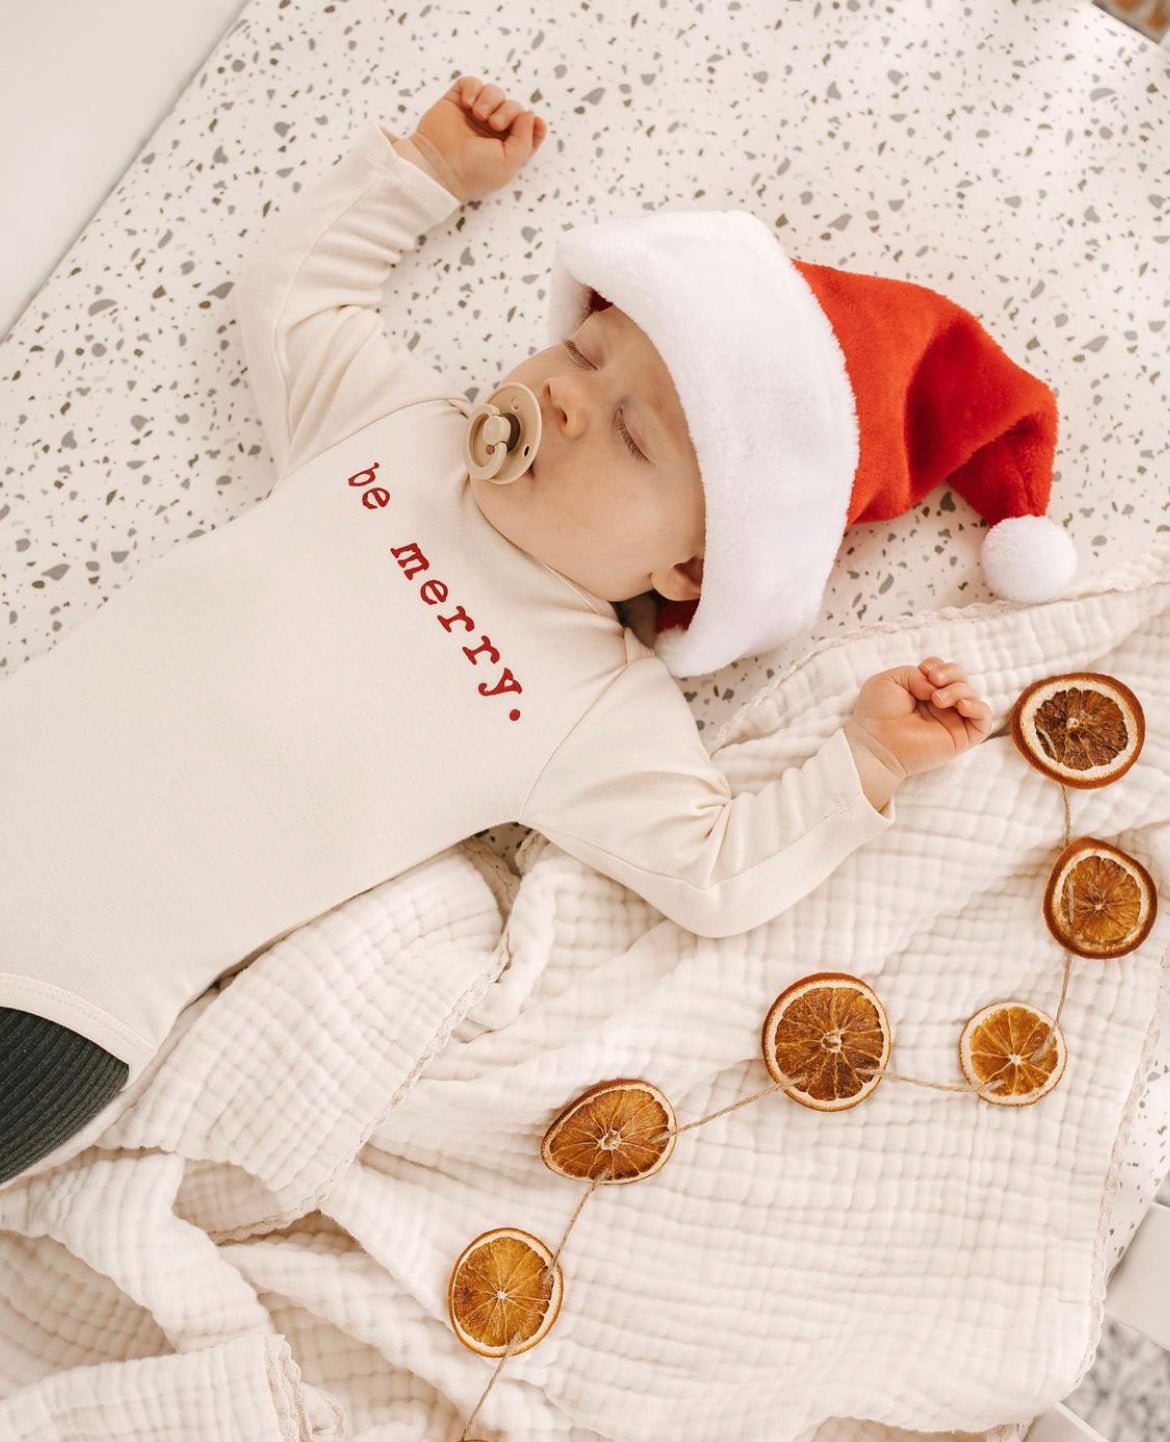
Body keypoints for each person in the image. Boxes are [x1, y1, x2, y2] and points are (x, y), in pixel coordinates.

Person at [0, 75, 1075, 1188]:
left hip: (66, 999)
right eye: (586, 354)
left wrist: (865, 761)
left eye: (634, 437)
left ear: (691, 569)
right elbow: (293, 298)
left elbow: (714, 869)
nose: (566, 399)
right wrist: (423, 175)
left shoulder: (590, 698)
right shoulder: (392, 429)